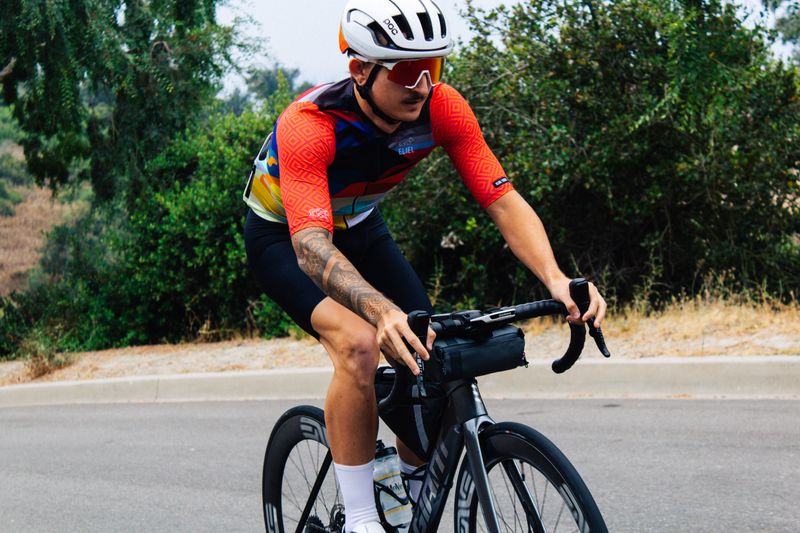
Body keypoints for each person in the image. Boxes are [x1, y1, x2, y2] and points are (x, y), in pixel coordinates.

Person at [243, 1, 607, 531]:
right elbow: (312, 247)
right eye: (408, 70)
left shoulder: (443, 108)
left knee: (428, 349)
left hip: (359, 224)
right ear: (360, 70)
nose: (422, 84)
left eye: (433, 67)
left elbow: (501, 199)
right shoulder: (311, 125)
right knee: (360, 344)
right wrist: (379, 310)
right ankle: (362, 518)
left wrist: (556, 278)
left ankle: (412, 492)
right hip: (285, 235)